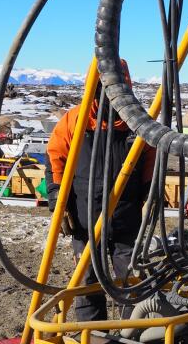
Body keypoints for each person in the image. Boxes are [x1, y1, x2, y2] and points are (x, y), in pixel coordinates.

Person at [45, 60, 156, 321]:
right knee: (86, 284)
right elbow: (55, 163)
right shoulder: (75, 120)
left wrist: (152, 196)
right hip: (84, 220)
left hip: (127, 221)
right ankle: (92, 342)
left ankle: (135, 340)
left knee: (132, 283)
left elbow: (152, 165)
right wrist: (57, 206)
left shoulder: (138, 121)